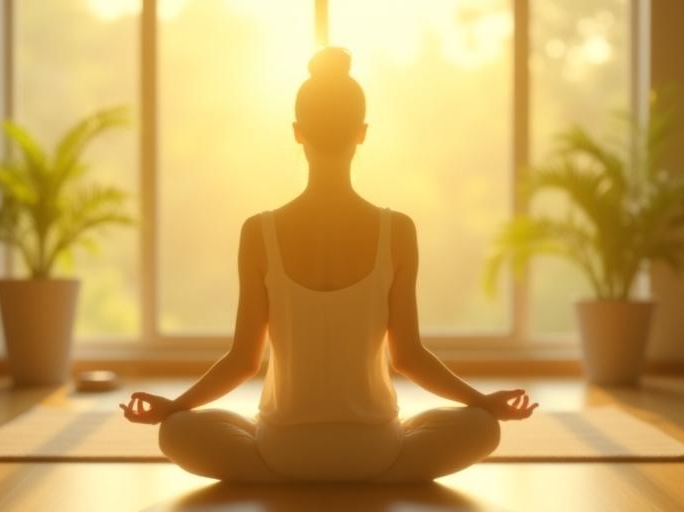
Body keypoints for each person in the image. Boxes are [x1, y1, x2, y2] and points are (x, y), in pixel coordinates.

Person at [120, 46, 538, 483]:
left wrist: (173, 407)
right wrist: (484, 402)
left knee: (177, 432)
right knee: (480, 428)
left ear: (298, 132)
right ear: (361, 132)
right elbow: (409, 358)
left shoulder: (258, 232)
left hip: (281, 449)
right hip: (375, 449)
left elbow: (243, 361)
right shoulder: (396, 230)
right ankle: (371, 475)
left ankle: (284, 475)